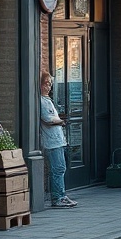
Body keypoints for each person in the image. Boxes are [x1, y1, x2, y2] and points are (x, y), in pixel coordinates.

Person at [40, 71, 77, 208]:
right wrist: (61, 121)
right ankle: (57, 197)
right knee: (58, 168)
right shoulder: (41, 101)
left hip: (57, 139)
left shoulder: (47, 100)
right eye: (46, 84)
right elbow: (48, 120)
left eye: (50, 84)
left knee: (60, 168)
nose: (48, 87)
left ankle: (61, 194)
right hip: (51, 141)